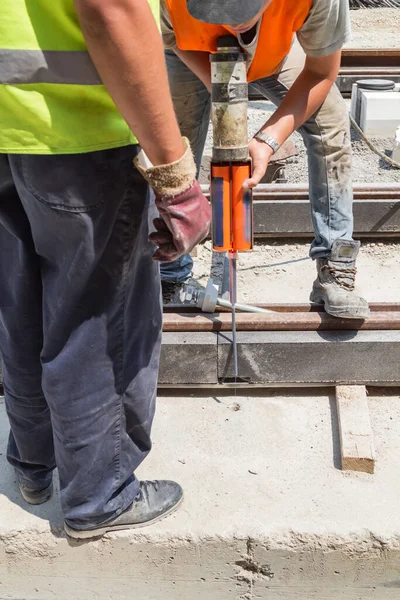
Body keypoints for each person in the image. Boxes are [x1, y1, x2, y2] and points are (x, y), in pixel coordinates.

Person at [0, 0, 210, 540]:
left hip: (6, 124)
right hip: (78, 133)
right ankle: (101, 493)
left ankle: (34, 465)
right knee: (98, 320)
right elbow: (111, 8)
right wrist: (174, 173)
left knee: (20, 308)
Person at [160, 0, 370, 319]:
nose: (232, 24)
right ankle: (169, 274)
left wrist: (268, 140)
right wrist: (224, 89)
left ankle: (336, 265)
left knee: (329, 120)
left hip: (275, 52)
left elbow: (321, 71)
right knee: (174, 142)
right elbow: (170, 38)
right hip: (189, 51)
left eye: (242, 14)